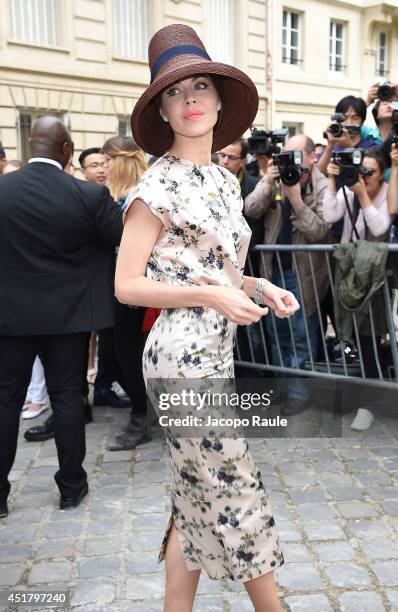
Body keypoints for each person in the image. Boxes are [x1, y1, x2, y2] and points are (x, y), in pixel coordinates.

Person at [115, 23, 299, 611]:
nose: (190, 99)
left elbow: (215, 270)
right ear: (162, 111)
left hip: (215, 352)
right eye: (174, 92)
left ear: (220, 98)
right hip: (178, 359)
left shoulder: (223, 179)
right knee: (233, 488)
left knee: (192, 493)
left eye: (199, 86)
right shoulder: (155, 186)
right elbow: (126, 286)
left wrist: (257, 284)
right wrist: (211, 297)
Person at [0, 116, 123, 519]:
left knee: (5, 401)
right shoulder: (88, 195)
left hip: (9, 317)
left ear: (29, 146)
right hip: (68, 319)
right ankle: (71, 487)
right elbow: (122, 239)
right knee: (68, 397)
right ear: (68, 152)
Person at [245, 134, 331, 412]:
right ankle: (284, 387)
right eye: (286, 155)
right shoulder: (276, 180)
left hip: (303, 273)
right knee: (277, 333)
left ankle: (299, 393)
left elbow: (319, 231)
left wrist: (296, 200)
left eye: (296, 156)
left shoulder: (322, 186)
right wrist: (268, 181)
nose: (291, 162)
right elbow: (250, 209)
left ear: (310, 157)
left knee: (301, 336)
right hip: (273, 271)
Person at [324, 149, 392, 430]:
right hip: (349, 272)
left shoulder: (388, 191)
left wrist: (362, 194)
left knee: (368, 338)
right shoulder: (349, 187)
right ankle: (359, 396)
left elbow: (379, 228)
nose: (363, 176)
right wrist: (332, 180)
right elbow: (329, 215)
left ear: (382, 173)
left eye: (370, 172)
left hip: (374, 278)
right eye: (360, 170)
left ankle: (370, 405)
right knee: (348, 336)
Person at [101, 135, 151, 450]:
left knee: (127, 355)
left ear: (118, 162)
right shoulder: (118, 195)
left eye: (106, 161)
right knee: (118, 356)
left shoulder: (137, 195)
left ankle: (141, 416)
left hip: (136, 286)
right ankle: (143, 410)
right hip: (122, 286)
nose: (103, 167)